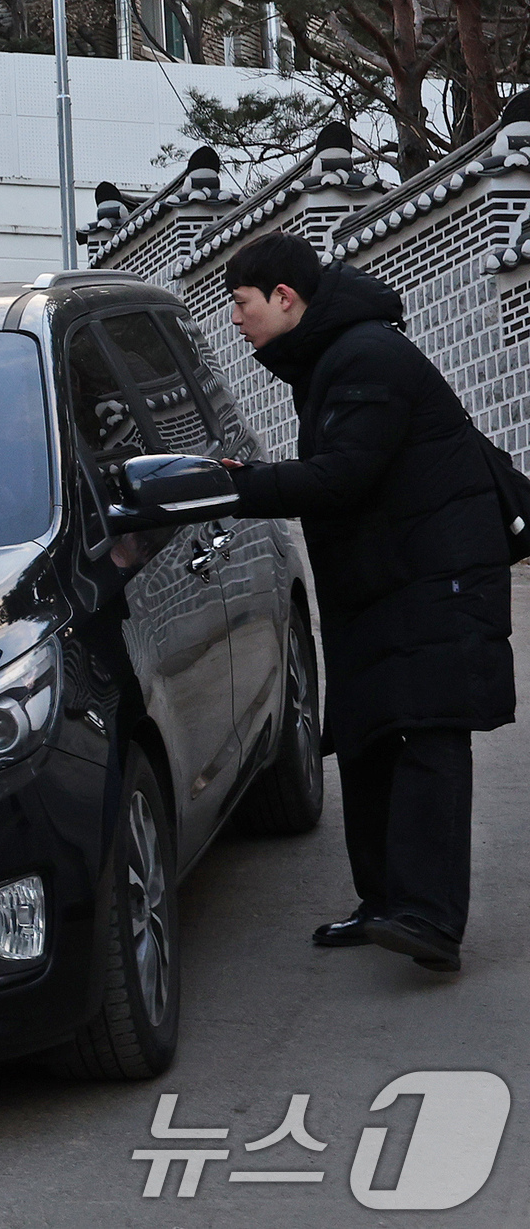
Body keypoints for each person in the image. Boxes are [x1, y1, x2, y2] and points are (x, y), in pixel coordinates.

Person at [221, 231, 515, 974]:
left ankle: (431, 918)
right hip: (391, 576)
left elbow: (340, 477)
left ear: (285, 298)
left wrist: (239, 483)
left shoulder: (363, 358)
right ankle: (385, 901)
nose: (234, 319)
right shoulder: (331, 358)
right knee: (370, 734)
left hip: (435, 576)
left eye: (242, 303)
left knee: (426, 733)